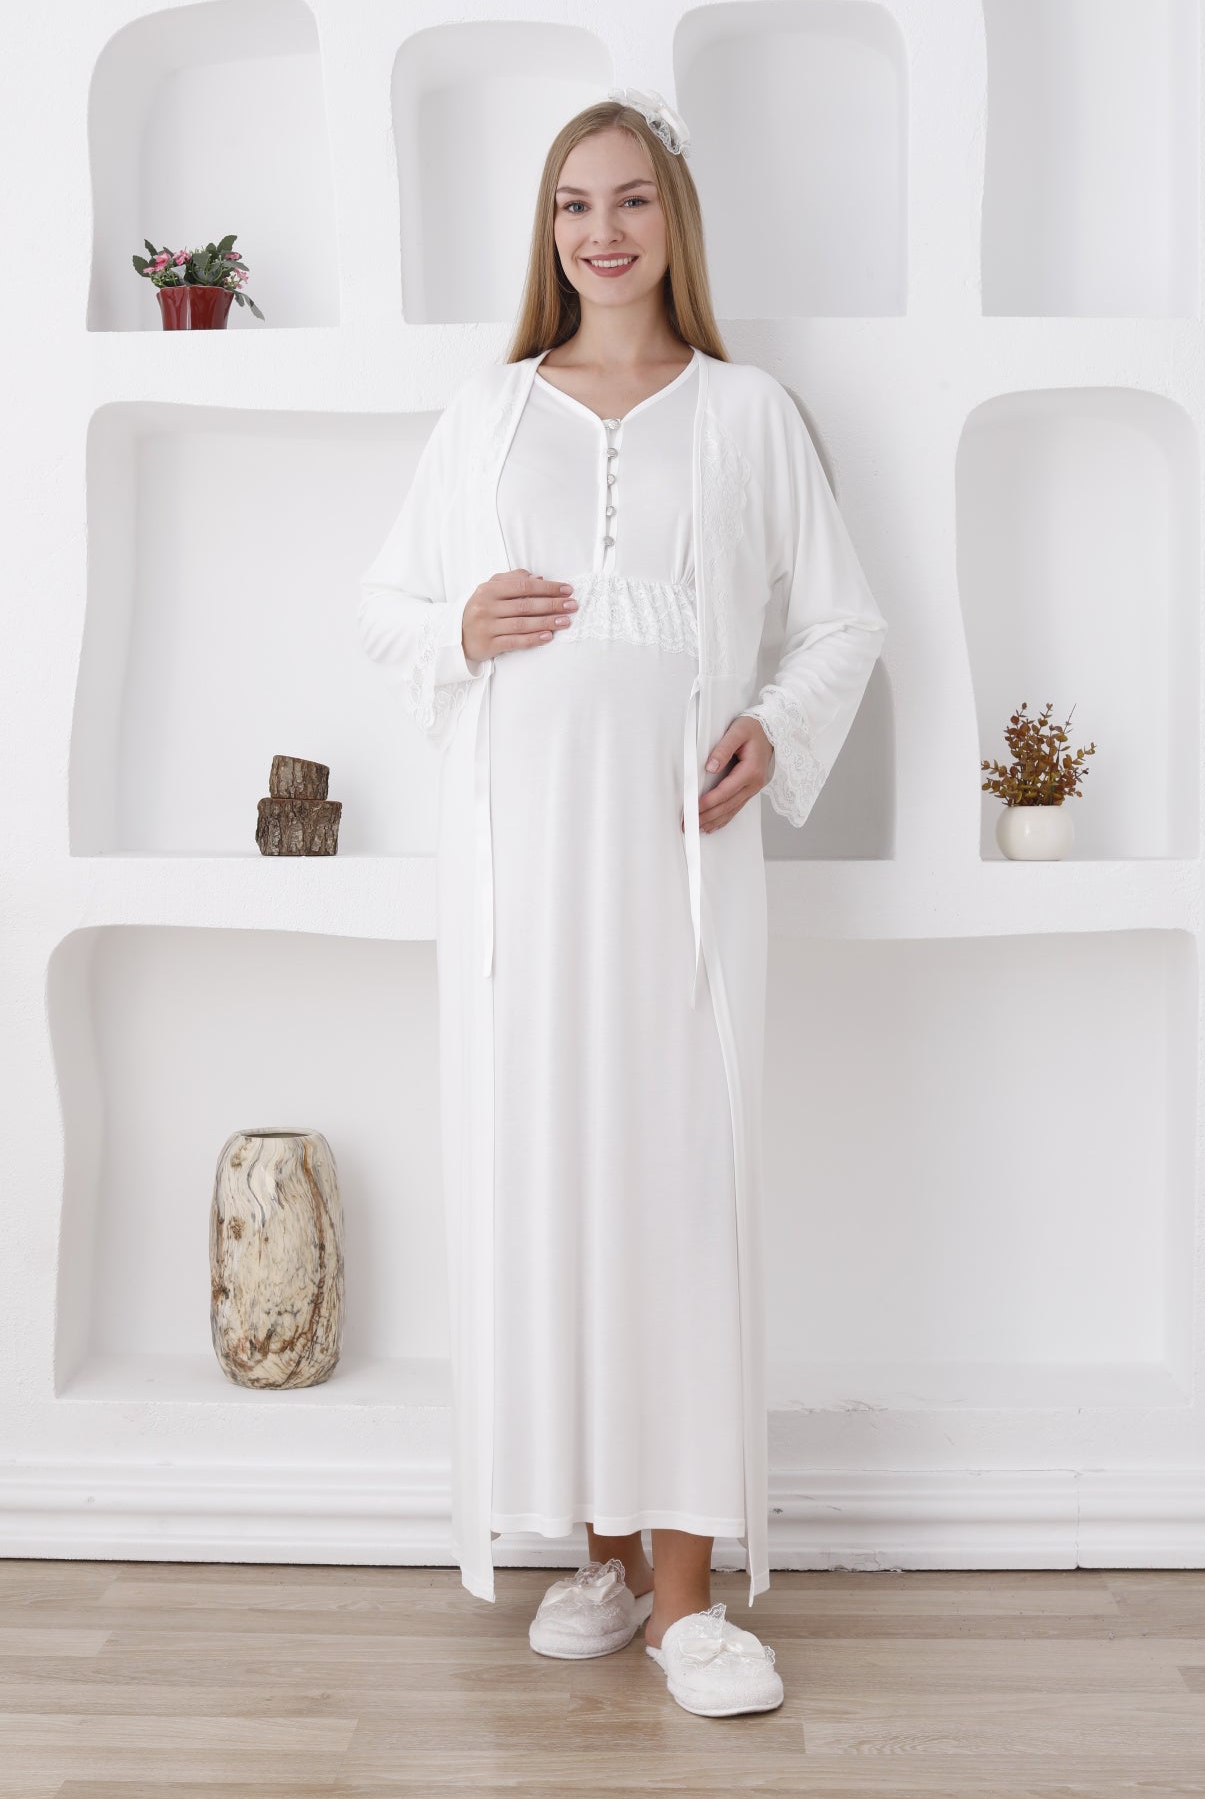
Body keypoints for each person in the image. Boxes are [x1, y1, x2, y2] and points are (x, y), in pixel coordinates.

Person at [357, 87, 888, 1718]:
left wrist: (773, 727)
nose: (603, 231)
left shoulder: (746, 412)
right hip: (523, 880)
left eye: (633, 201)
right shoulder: (488, 414)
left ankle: (685, 1598)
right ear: (550, 230)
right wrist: (461, 626)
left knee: (676, 1190)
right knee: (557, 1188)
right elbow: (386, 608)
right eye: (576, 205)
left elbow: (843, 622)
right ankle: (595, 1550)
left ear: (675, 222)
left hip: (678, 870)